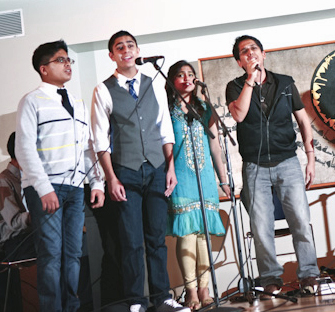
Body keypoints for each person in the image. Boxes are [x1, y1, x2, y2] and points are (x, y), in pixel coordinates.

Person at [90, 30, 189, 312]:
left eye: (130, 45)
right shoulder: (103, 89)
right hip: (125, 172)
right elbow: (99, 140)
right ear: (112, 55)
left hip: (157, 168)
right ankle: (136, 300)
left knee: (157, 238)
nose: (126, 50)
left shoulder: (154, 83)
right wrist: (110, 178)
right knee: (131, 241)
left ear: (137, 50)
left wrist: (170, 168)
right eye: (119, 47)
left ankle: (163, 298)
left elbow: (164, 129)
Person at [225, 35, 321, 298]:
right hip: (255, 166)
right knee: (261, 225)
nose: (250, 53)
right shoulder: (234, 87)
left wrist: (310, 159)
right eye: (244, 52)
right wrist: (250, 81)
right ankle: (270, 278)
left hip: (288, 161)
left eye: (254, 49)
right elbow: (239, 114)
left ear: (264, 54)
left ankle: (309, 274)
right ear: (239, 61)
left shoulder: (285, 83)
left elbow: (303, 122)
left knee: (300, 219)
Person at [15, 40, 105, 312]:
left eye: (69, 60)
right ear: (44, 69)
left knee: (74, 255)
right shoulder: (32, 101)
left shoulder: (77, 103)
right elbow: (24, 148)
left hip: (76, 187)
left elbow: (88, 147)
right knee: (51, 255)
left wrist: (97, 182)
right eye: (61, 60)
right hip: (47, 187)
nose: (68, 64)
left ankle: (72, 308)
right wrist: (43, 188)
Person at [165, 61, 230, 310]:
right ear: (171, 80)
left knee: (203, 234)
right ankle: (190, 290)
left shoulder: (203, 108)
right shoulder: (167, 109)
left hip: (204, 177)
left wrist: (223, 179)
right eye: (180, 75)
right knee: (187, 233)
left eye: (190, 74)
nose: (186, 78)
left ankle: (205, 289)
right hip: (180, 176)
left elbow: (215, 146)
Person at [0, 132, 36, 311]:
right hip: (12, 244)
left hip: (27, 238)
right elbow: (14, 222)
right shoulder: (4, 180)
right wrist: (39, 214)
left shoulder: (29, 178)